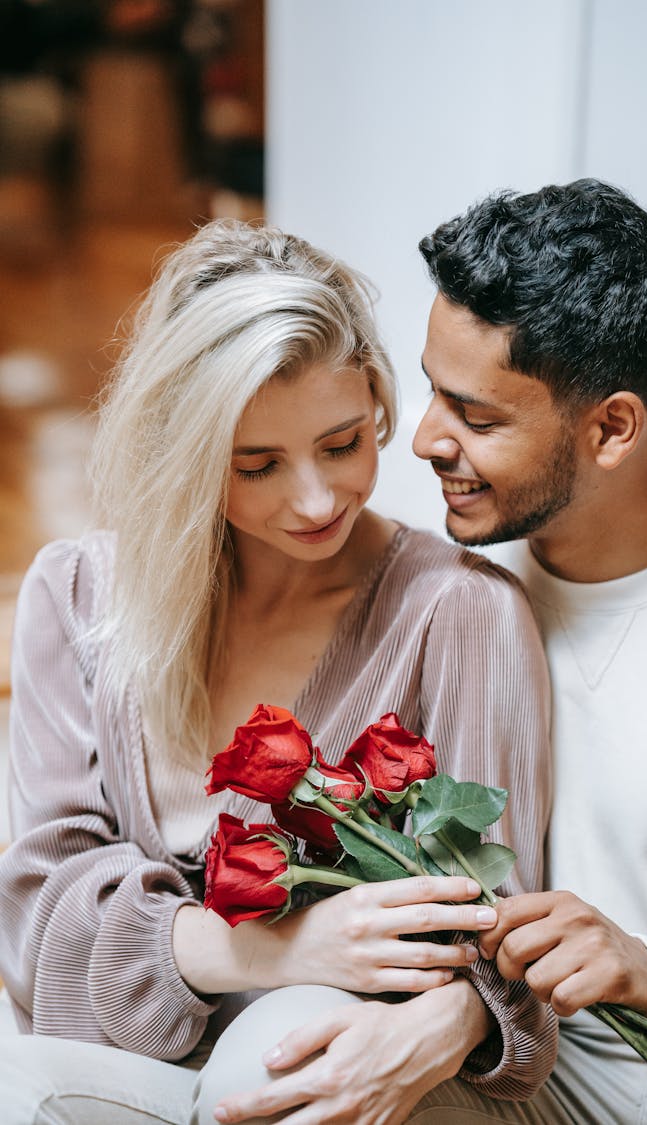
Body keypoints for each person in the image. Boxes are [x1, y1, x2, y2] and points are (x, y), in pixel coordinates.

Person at [0, 219, 555, 1124]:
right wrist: (270, 950)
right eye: (256, 464)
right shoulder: (79, 593)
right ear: (180, 455)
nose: (314, 499)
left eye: (342, 444)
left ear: (378, 401)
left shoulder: (458, 612)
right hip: (125, 1056)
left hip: (328, 1072)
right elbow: (37, 920)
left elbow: (499, 929)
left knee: (270, 1059)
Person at [412, 177, 647, 1123]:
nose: (424, 439)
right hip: (498, 1069)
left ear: (612, 428)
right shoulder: (455, 586)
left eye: (477, 418)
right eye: (433, 391)